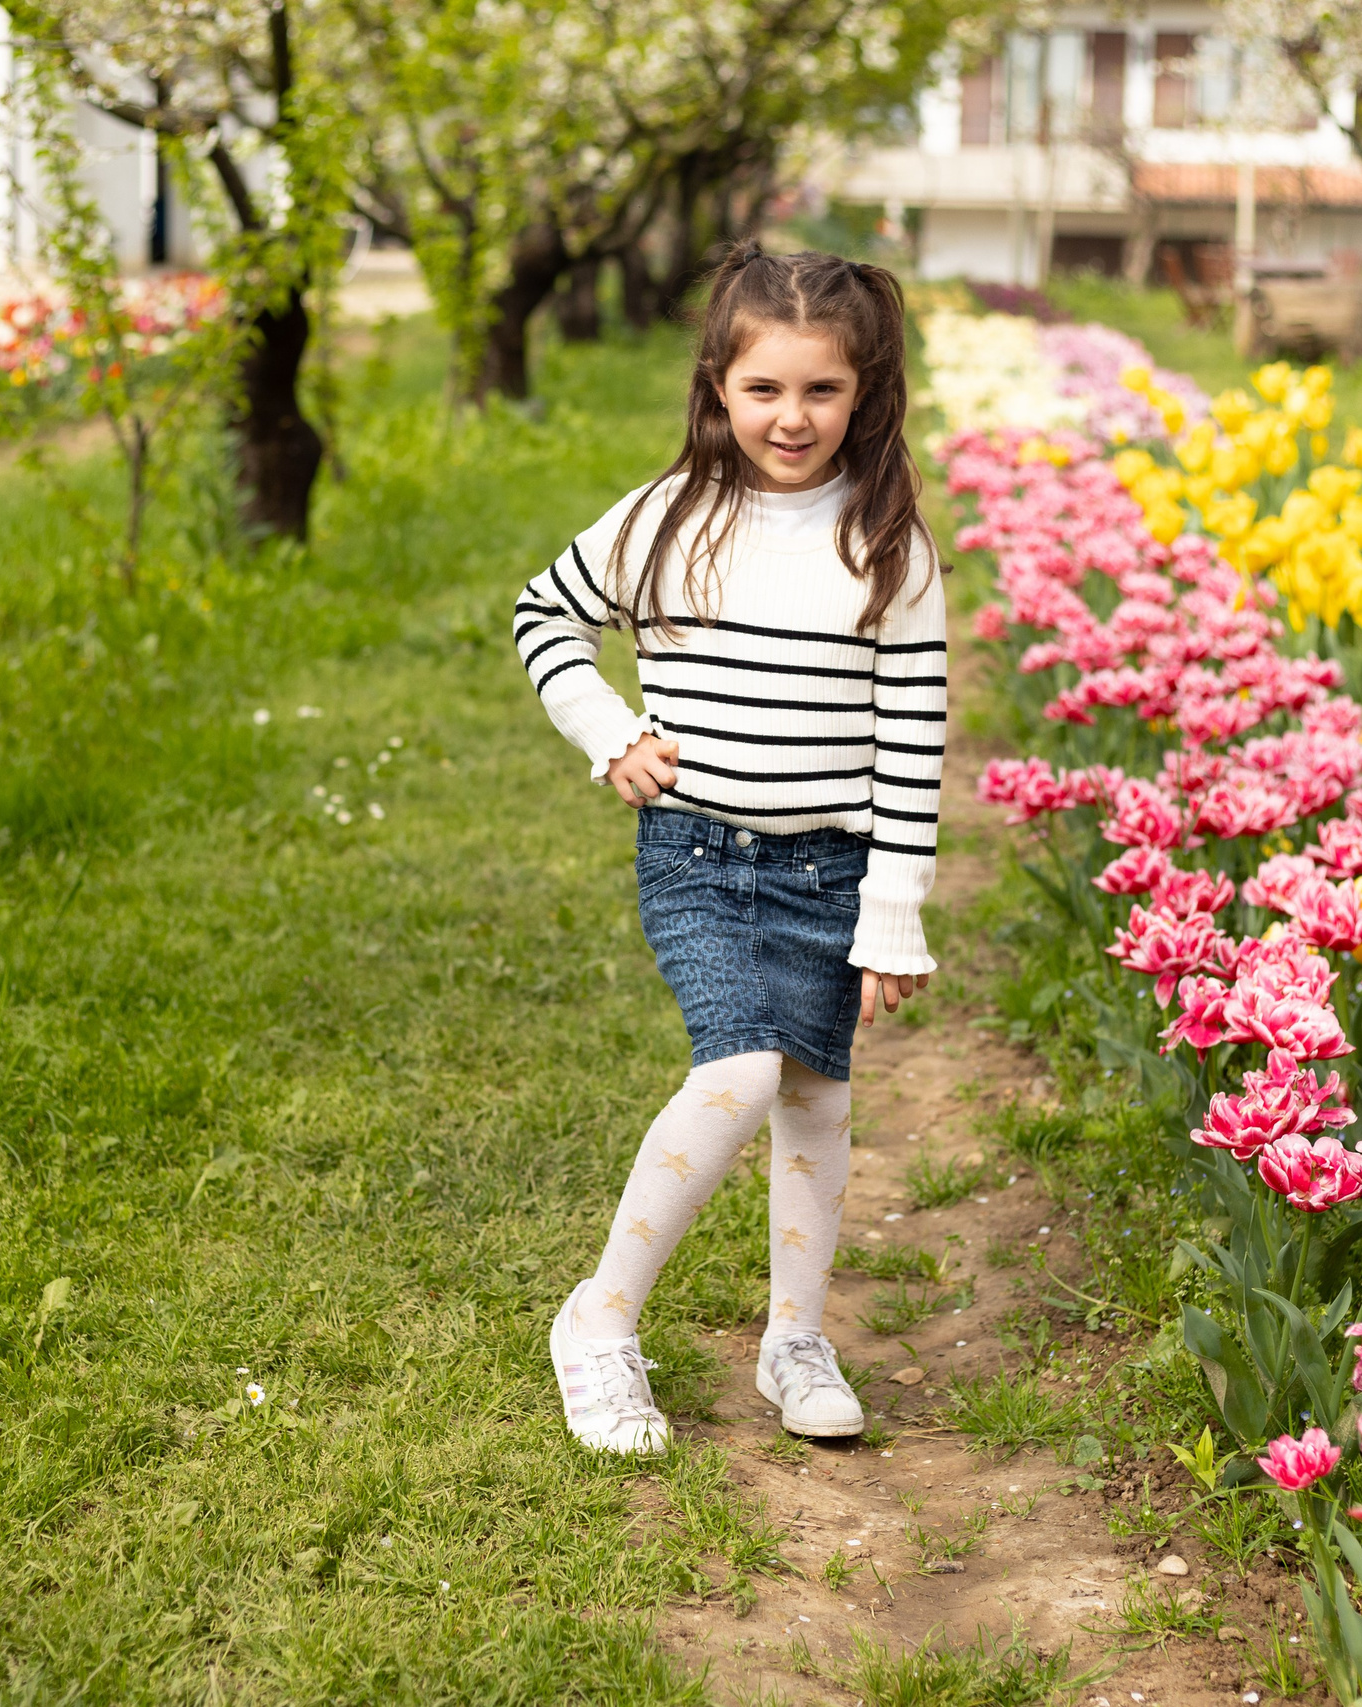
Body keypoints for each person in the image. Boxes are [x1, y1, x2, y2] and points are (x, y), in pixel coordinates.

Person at [513, 244, 946, 1456]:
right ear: (717, 386)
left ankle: (792, 1341)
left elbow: (913, 736)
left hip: (831, 869)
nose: (790, 417)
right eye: (763, 389)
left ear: (864, 392)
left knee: (816, 1097)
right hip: (697, 853)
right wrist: (608, 731)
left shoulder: (889, 544)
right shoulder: (665, 520)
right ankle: (598, 1322)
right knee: (741, 1071)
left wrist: (893, 911)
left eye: (820, 390)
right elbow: (544, 614)